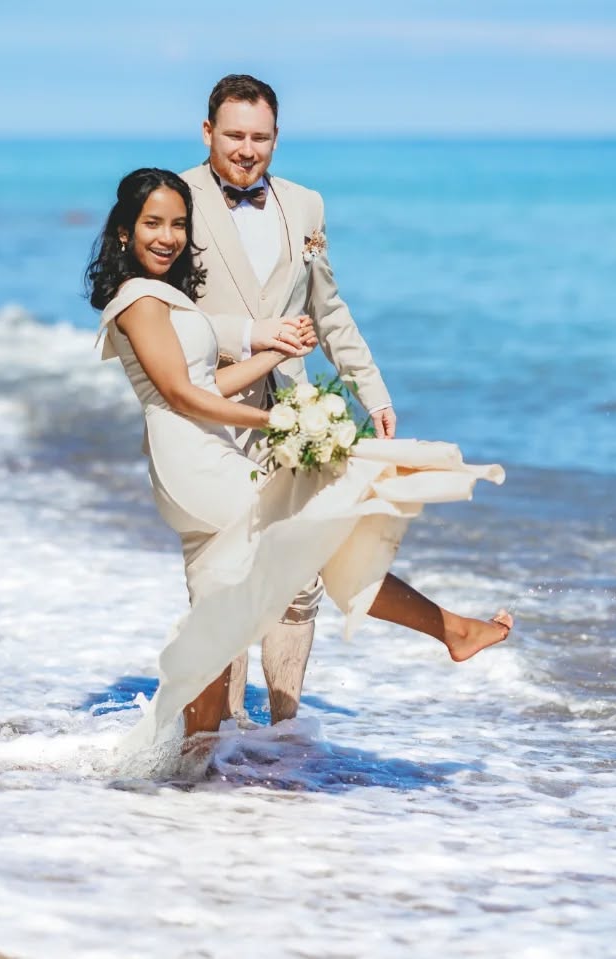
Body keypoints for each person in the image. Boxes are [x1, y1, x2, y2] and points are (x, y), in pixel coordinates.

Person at [86, 168, 510, 749]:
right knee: (319, 539)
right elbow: (182, 395)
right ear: (123, 234)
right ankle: (452, 630)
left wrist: (275, 355)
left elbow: (211, 379)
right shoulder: (138, 299)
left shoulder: (163, 296)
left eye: (179, 224)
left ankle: (191, 759)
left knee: (221, 607)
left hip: (199, 452)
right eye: (152, 224)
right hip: (196, 458)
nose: (168, 236)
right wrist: (275, 420)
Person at [181, 74, 396, 726]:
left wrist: (370, 389)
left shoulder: (304, 205)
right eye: (234, 135)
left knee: (298, 584)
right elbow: (161, 320)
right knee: (224, 580)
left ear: (276, 137)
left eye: (261, 137)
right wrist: (245, 339)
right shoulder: (173, 198)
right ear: (207, 133)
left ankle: (282, 737)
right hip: (211, 410)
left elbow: (326, 309)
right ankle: (210, 744)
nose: (247, 150)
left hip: (298, 416)